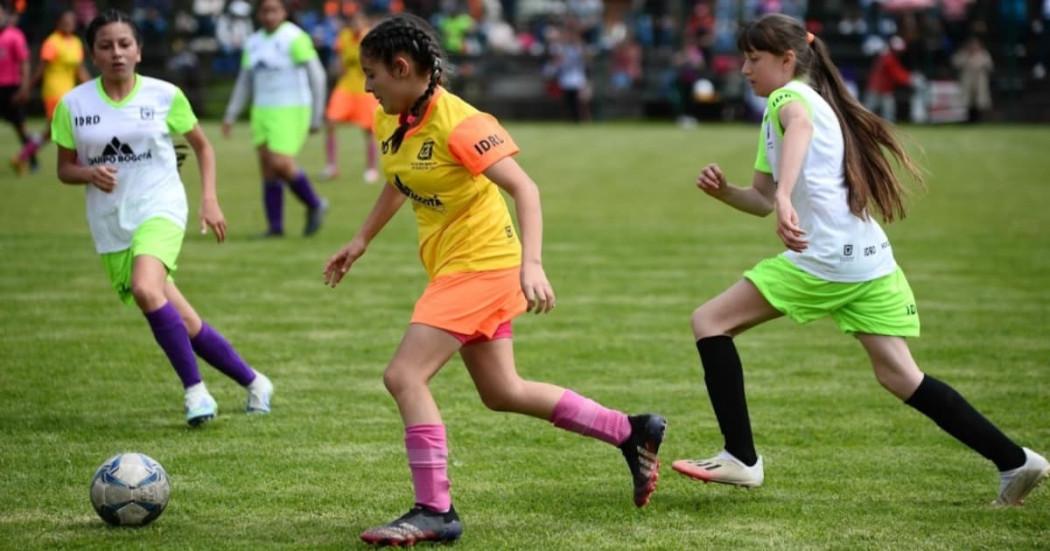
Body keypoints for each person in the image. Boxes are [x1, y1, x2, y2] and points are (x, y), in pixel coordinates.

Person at [671, 14, 1048, 507]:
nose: (744, 69)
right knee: (900, 375)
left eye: (753, 59)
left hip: (826, 257)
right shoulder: (805, 103)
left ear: (787, 61)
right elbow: (761, 199)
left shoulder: (791, 100)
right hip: (868, 258)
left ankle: (741, 458)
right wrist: (727, 193)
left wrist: (786, 196)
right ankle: (1016, 460)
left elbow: (795, 141)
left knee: (710, 321)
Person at [322, 14, 665, 546]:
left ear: (403, 67)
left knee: (404, 377)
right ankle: (630, 431)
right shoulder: (392, 118)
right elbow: (399, 180)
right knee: (502, 391)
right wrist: (361, 239)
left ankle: (435, 509)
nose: (365, 86)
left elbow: (525, 190)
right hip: (458, 268)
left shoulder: (462, 122)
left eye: (373, 75)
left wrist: (533, 264)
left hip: (483, 267)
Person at [53, 9, 273, 427]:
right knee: (184, 320)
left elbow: (204, 148)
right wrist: (86, 172)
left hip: (162, 208)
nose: (116, 52)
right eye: (106, 46)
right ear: (93, 55)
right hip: (112, 224)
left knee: (145, 289)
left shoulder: (164, 95)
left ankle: (196, 393)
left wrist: (210, 199)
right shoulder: (72, 105)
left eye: (124, 44)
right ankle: (255, 381)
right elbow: (64, 168)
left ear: (137, 51)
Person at [222, 0, 328, 237]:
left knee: (281, 162)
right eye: (265, 11)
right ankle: (275, 227)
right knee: (268, 168)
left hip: (291, 108)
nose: (269, 16)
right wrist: (231, 114)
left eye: (274, 10)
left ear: (283, 12)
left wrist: (317, 115)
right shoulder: (254, 42)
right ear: (259, 14)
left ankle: (315, 203)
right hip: (262, 110)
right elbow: (245, 81)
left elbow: (317, 75)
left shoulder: (294, 37)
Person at [12, 10, 90, 174]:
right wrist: (27, 88)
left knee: (50, 132)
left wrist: (94, 87)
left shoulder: (76, 42)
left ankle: (22, 157)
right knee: (69, 127)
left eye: (71, 22)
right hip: (54, 92)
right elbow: (41, 70)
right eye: (65, 21)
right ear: (58, 23)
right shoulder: (52, 42)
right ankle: (79, 163)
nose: (68, 24)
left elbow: (80, 70)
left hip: (70, 93)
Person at [320, 10, 379, 183]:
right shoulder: (344, 36)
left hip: (364, 89)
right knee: (330, 121)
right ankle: (331, 166)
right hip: (345, 86)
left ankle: (371, 169)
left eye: (358, 21)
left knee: (369, 130)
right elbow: (339, 59)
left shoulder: (370, 38)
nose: (355, 24)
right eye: (353, 21)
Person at [0, 3, 34, 172]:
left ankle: (32, 159)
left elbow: (24, 62)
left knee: (20, 126)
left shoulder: (14, 36)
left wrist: (24, 87)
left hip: (11, 87)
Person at [952, 36, 994, 123]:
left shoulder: (983, 54)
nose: (973, 47)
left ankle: (979, 120)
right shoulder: (963, 54)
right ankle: (967, 120)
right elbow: (955, 63)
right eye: (972, 45)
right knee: (967, 101)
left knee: (979, 102)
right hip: (967, 81)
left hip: (979, 81)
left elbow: (989, 66)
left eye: (975, 45)